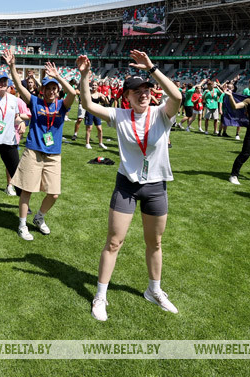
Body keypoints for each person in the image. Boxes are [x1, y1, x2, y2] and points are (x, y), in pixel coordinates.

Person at [77, 50, 182, 322]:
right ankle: (100, 295)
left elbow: (178, 97)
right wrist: (85, 75)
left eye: (146, 89)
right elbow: (88, 104)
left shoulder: (161, 113)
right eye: (136, 91)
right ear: (127, 96)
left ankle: (154, 290)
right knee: (114, 242)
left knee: (155, 242)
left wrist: (152, 68)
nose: (143, 94)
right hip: (127, 185)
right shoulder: (119, 115)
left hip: (156, 186)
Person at [4, 50, 77, 241]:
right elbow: (19, 86)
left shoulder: (62, 105)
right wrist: (12, 66)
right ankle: (22, 225)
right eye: (48, 88)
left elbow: (73, 93)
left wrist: (58, 77)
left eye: (54, 88)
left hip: (53, 154)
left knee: (53, 194)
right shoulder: (36, 102)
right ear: (42, 90)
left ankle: (39, 217)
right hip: (34, 151)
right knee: (27, 190)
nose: (51, 91)